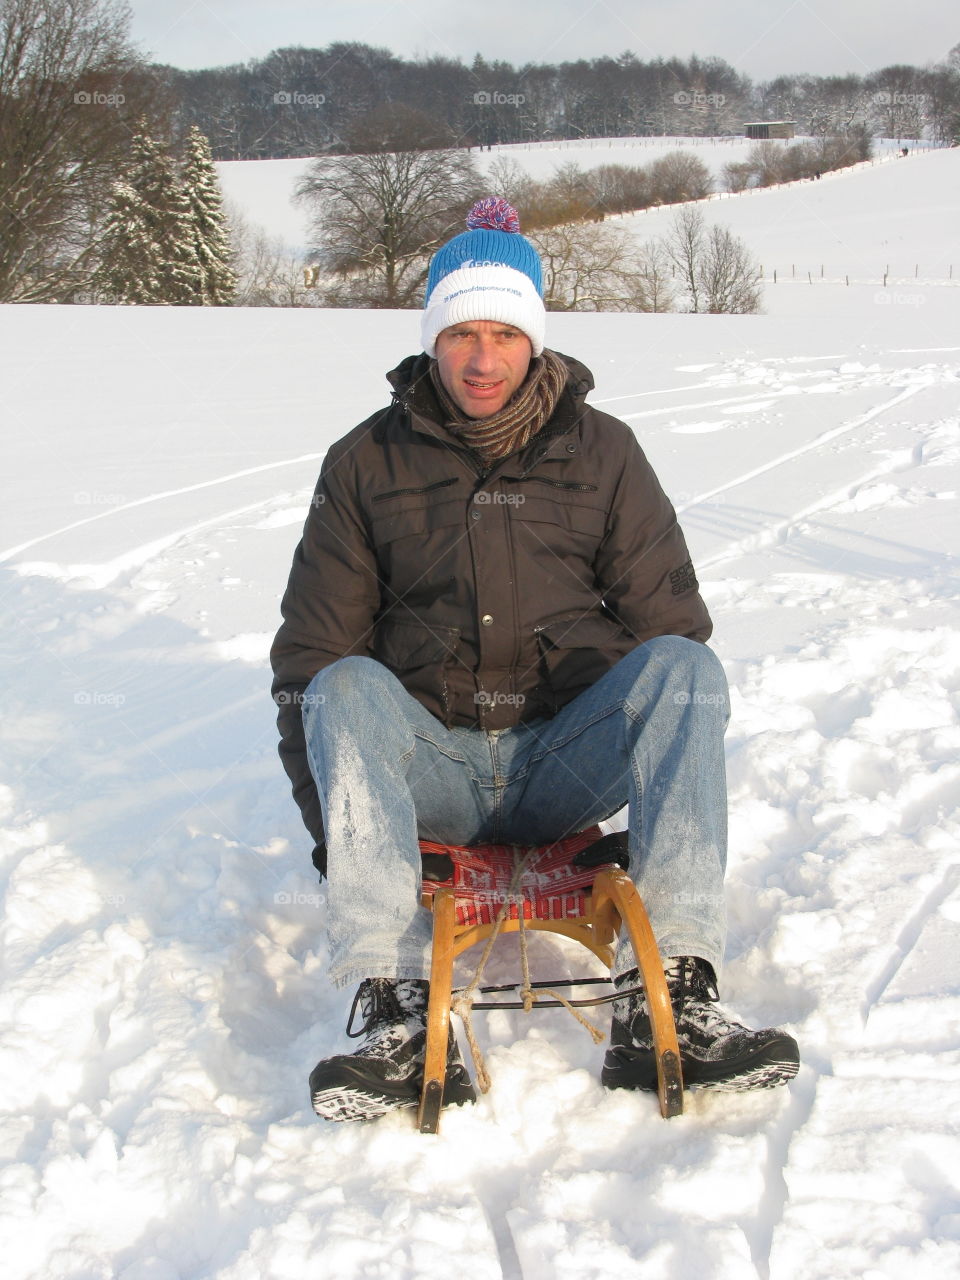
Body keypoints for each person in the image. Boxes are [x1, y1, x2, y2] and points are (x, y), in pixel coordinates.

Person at [270, 197, 800, 1122]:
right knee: (340, 684)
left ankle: (668, 989)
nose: (483, 358)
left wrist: (650, 778)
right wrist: (349, 841)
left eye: (505, 333)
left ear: (535, 339)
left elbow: (672, 627)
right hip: (432, 761)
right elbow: (309, 665)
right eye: (462, 332)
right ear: (432, 339)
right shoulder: (364, 464)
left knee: (684, 671)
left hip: (563, 758)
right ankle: (392, 1013)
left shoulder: (605, 454)